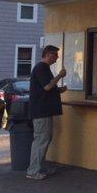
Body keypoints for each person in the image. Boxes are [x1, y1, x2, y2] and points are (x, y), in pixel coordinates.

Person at [26, 45, 67, 180]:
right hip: (41, 111)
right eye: (55, 55)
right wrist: (60, 76)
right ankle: (33, 171)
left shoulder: (44, 69)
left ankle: (40, 167)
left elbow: (47, 88)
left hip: (44, 110)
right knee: (41, 140)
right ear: (49, 54)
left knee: (44, 139)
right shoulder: (41, 68)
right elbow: (47, 86)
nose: (57, 58)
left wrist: (59, 90)